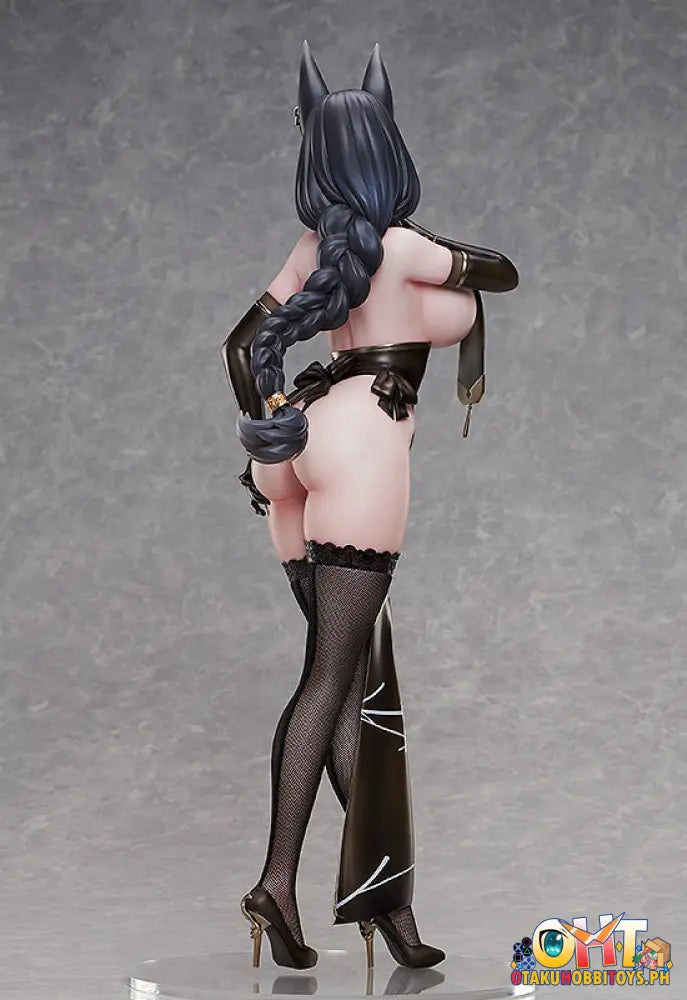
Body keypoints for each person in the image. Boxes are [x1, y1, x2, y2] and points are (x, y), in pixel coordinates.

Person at [222, 42, 518, 972]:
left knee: (346, 683)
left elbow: (241, 348)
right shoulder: (403, 247)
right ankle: (277, 880)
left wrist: (272, 426)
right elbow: (501, 273)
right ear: (385, 149)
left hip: (297, 450)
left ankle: (388, 909)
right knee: (330, 680)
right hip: (364, 455)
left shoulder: (315, 251)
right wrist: (440, 252)